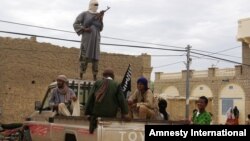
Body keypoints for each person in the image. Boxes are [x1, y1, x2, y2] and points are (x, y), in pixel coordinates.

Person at [85, 68, 129, 133]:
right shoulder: (116, 84)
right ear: (113, 76)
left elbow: (90, 98)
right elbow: (122, 100)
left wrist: (88, 113)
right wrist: (125, 113)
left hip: (97, 115)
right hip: (111, 115)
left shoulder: (97, 83)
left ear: (103, 75)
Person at [73, 0, 104, 80]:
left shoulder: (98, 15)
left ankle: (95, 77)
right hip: (86, 41)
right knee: (84, 58)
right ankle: (80, 76)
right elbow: (75, 24)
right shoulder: (84, 14)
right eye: (95, 4)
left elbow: (100, 28)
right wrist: (84, 29)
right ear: (91, 4)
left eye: (97, 5)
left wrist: (101, 18)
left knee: (96, 59)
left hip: (96, 41)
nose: (96, 6)